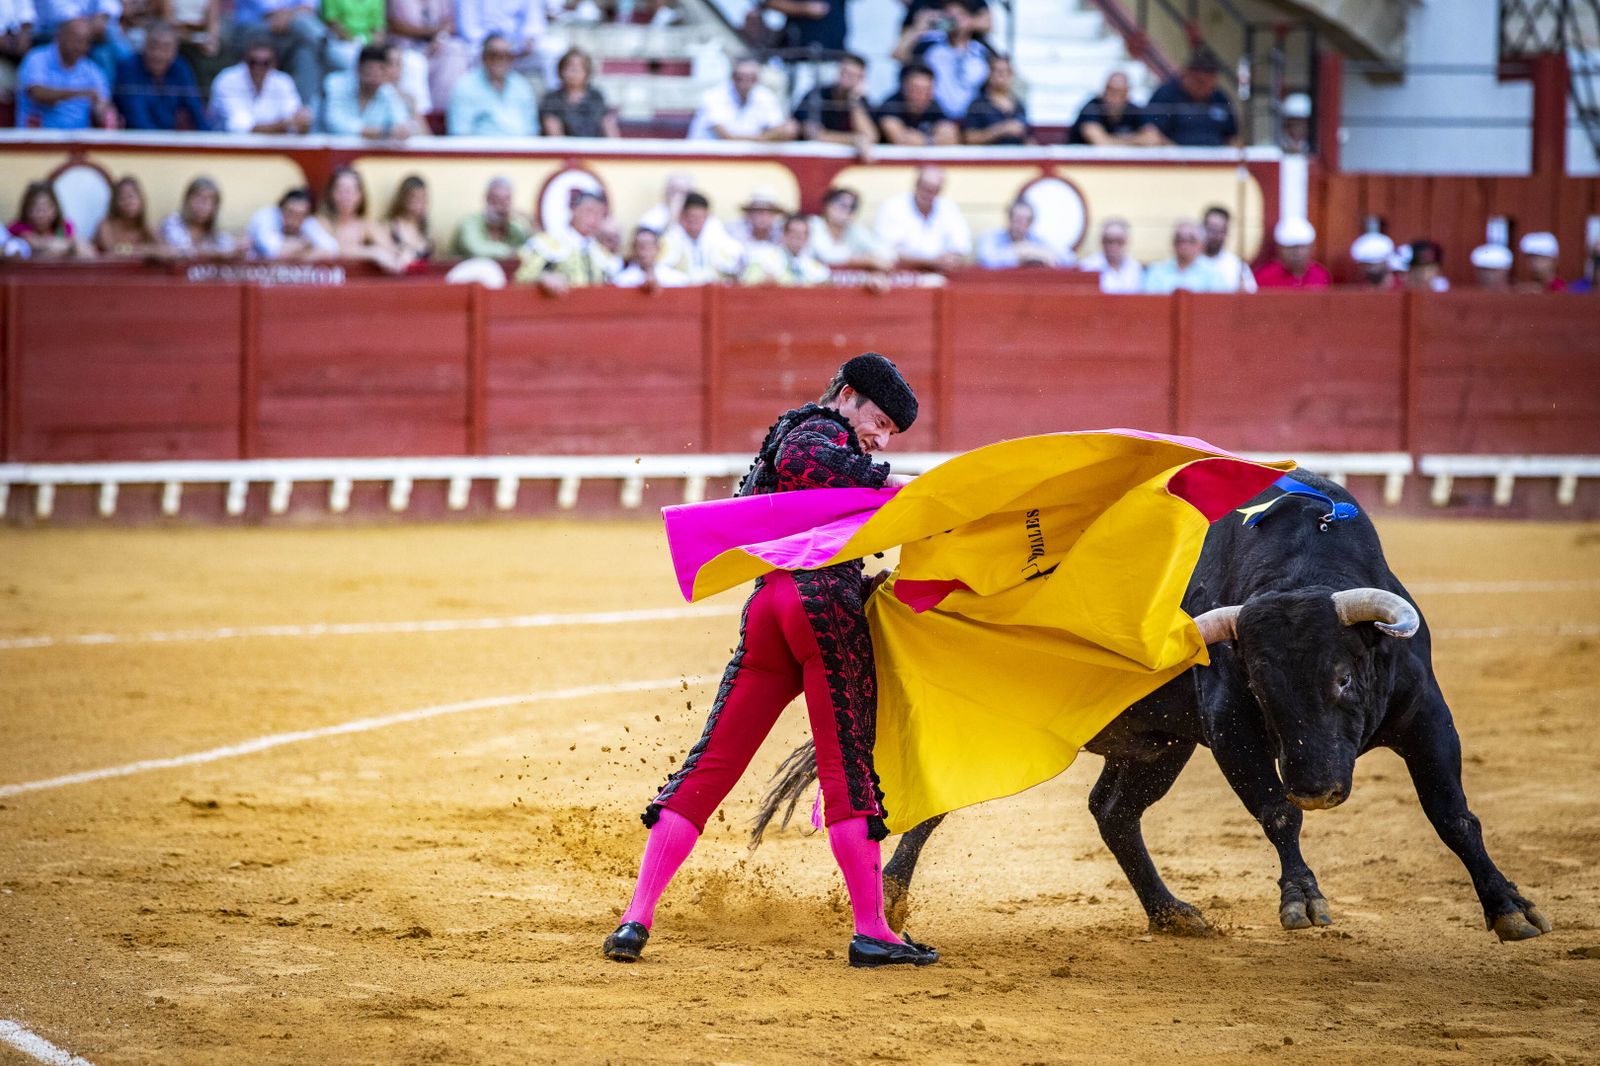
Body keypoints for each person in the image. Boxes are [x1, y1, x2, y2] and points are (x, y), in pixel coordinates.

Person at [603, 353, 938, 971]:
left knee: (711, 762)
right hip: (822, 607)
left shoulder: (786, 431)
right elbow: (806, 463)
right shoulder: (820, 431)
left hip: (770, 608)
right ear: (846, 394)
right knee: (847, 769)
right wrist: (894, 485)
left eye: (892, 432)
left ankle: (636, 918)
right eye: (879, 420)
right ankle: (871, 931)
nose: (880, 437)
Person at [226, 0, 330, 112]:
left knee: (305, 53)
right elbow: (269, 12)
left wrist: (290, 15)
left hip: (291, 32)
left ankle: (305, 113)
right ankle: (331, 48)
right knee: (302, 24)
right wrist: (293, 14)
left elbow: (310, 8)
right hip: (254, 29)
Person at [891, 0, 987, 120]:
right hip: (936, 119)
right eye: (950, 15)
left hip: (971, 121)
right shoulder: (929, 45)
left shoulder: (981, 51)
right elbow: (897, 55)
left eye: (960, 14)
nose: (955, 20)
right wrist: (918, 28)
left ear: (970, 19)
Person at [513, 188, 619, 293]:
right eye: (589, 211)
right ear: (573, 210)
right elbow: (522, 278)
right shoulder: (547, 243)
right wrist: (543, 278)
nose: (593, 219)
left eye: (599, 214)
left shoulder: (603, 253)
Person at [16, 17, 112, 127]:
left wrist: (101, 109)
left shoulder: (92, 69)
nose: (81, 46)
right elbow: (37, 92)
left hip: (79, 139)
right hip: (37, 139)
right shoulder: (36, 58)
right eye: (76, 40)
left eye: (86, 41)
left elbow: (103, 103)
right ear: (59, 37)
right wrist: (78, 93)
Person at [112, 20, 208, 129]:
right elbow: (136, 118)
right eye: (154, 46)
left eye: (166, 48)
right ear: (144, 46)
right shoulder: (128, 68)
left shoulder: (180, 68)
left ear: (175, 51)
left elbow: (196, 110)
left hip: (168, 138)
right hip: (135, 139)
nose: (158, 54)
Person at [873, 164, 970, 272]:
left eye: (934, 190)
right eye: (925, 188)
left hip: (943, 274)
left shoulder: (949, 208)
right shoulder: (893, 207)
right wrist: (931, 262)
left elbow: (961, 247)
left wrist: (951, 258)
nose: (928, 194)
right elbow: (887, 252)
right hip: (902, 276)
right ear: (916, 185)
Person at [209, 36, 310, 132]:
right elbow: (240, 128)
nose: (258, 68)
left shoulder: (283, 81)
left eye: (265, 63)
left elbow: (295, 122)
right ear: (245, 60)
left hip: (270, 147)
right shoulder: (227, 80)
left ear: (274, 64)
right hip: (225, 146)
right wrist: (285, 124)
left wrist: (301, 123)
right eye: (253, 62)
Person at [386, 0, 470, 115]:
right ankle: (422, 115)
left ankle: (444, 112)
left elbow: (450, 21)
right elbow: (392, 24)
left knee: (456, 49)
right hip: (405, 46)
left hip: (437, 43)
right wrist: (430, 33)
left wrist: (440, 38)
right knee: (414, 62)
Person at [1145, 49, 1239, 148]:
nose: (1205, 87)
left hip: (1216, 160)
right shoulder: (1165, 96)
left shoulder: (1220, 98)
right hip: (1176, 159)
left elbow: (1233, 137)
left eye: (1211, 82)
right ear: (1187, 74)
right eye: (1200, 82)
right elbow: (1151, 133)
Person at [687, 56, 795, 141]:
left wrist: (771, 135)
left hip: (745, 164)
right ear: (732, 77)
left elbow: (784, 130)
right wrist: (764, 138)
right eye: (740, 78)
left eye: (751, 78)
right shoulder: (713, 97)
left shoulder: (765, 95)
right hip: (706, 162)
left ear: (757, 79)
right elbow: (726, 137)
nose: (745, 83)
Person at [446, 33, 534, 135]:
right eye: (494, 55)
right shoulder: (465, 86)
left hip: (519, 148)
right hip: (480, 149)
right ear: (483, 57)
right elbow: (460, 133)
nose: (500, 60)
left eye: (506, 56)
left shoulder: (522, 85)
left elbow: (531, 130)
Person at [319, 165, 404, 269]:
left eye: (351, 191)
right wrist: (371, 252)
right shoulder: (320, 222)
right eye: (340, 190)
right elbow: (330, 249)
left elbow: (391, 251)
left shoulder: (366, 225)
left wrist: (402, 255)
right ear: (331, 193)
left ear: (360, 195)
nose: (345, 196)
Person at [320, 42, 413, 136]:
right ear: (358, 69)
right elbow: (335, 123)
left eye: (381, 70)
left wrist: (401, 129)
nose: (375, 76)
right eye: (370, 70)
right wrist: (382, 132)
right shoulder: (335, 83)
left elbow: (401, 122)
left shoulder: (387, 91)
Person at [455, 0, 547, 85]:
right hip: (482, 43)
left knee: (550, 51)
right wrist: (495, 44)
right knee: (463, 51)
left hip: (517, 43)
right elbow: (469, 28)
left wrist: (529, 37)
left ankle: (555, 99)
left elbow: (534, 20)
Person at [795, 50, 873, 151]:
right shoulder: (817, 94)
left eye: (852, 75)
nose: (845, 79)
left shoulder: (861, 101)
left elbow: (870, 137)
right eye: (843, 73)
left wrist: (854, 101)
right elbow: (813, 133)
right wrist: (854, 140)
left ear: (862, 79)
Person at [659, 191, 742, 283]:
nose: (694, 222)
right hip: (682, 290)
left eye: (699, 218)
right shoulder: (671, 238)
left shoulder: (718, 236)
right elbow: (661, 269)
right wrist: (685, 280)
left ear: (707, 217)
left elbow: (733, 264)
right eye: (691, 217)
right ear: (682, 217)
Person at [807, 186, 892, 271]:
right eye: (842, 205)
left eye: (852, 207)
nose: (847, 210)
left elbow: (888, 252)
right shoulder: (813, 225)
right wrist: (868, 260)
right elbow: (828, 255)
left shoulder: (853, 230)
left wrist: (875, 269)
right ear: (827, 205)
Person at [538, 46, 615, 136]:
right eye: (570, 66)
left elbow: (608, 126)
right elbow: (555, 135)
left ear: (587, 71)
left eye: (579, 67)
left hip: (593, 148)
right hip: (564, 148)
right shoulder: (552, 99)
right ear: (561, 70)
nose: (574, 71)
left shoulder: (596, 96)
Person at [874, 61, 955, 145]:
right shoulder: (891, 105)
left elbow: (951, 136)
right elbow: (899, 139)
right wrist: (934, 140)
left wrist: (926, 141)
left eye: (927, 90)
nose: (923, 95)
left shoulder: (934, 104)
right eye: (917, 89)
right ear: (903, 86)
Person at [450, 175, 532, 257]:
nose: (501, 206)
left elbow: (534, 248)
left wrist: (530, 221)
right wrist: (512, 252)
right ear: (486, 198)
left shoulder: (515, 228)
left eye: (506, 200)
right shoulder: (469, 223)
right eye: (496, 199)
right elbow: (476, 249)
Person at [159, 174, 238, 257]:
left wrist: (236, 247)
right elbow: (181, 250)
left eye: (210, 199)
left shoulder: (215, 235)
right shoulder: (172, 222)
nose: (203, 204)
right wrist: (216, 253)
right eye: (199, 197)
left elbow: (228, 246)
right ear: (187, 200)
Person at [248, 186, 338, 260]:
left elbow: (332, 249)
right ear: (280, 208)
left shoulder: (307, 222)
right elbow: (274, 252)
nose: (293, 220)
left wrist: (301, 254)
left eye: (299, 215)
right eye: (290, 212)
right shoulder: (265, 217)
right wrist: (304, 245)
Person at [1071, 70, 1158, 146]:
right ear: (1104, 92)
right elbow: (1100, 142)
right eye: (1111, 92)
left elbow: (1152, 139)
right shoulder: (1091, 108)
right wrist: (1134, 140)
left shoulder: (1133, 110)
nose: (1114, 99)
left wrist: (1115, 140)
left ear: (1127, 95)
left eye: (1120, 94)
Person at [743, 212, 830, 286]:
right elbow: (748, 280)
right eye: (794, 232)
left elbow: (825, 282)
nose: (798, 237)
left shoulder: (814, 266)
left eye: (802, 233)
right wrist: (763, 281)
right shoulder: (764, 256)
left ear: (807, 237)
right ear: (784, 235)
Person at [8, 180, 90, 258]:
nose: (41, 214)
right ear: (26, 210)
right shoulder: (18, 227)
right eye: (36, 209)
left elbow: (83, 250)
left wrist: (71, 244)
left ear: (55, 208)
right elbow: (34, 243)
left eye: (46, 208)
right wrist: (64, 245)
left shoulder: (63, 227)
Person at [961, 53, 1029, 146]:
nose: (1002, 75)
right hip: (988, 158)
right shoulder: (978, 105)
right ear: (989, 74)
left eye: (1006, 71)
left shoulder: (1019, 105)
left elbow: (1028, 138)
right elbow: (970, 138)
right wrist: (1002, 129)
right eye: (998, 71)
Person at [1142, 219, 1226, 293]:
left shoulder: (1213, 273)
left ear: (1202, 244)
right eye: (1180, 240)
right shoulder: (1157, 272)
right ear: (1172, 243)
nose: (1184, 245)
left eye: (1191, 240)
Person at [975, 199, 1054, 269]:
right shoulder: (991, 237)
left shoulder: (1038, 240)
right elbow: (987, 261)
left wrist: (1031, 252)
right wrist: (1018, 252)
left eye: (1028, 220)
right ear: (1009, 219)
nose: (1023, 224)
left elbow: (1057, 260)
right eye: (1018, 220)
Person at [1253, 217, 1329, 289]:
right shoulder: (1263, 276)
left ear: (1312, 248)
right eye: (1291, 248)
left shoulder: (1321, 275)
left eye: (1302, 247)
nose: (1297, 253)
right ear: (1279, 249)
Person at [92, 174, 157, 256]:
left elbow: (166, 250)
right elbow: (113, 250)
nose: (128, 202)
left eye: (132, 196)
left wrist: (150, 248)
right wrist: (146, 249)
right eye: (123, 198)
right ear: (115, 203)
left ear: (141, 200)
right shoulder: (106, 225)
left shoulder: (145, 227)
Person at [1076, 216, 1142, 293]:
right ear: (1101, 241)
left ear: (1127, 242)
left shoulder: (1134, 267)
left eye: (1119, 241)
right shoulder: (1088, 267)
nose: (1114, 246)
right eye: (1109, 241)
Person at [1199, 205, 1256, 293]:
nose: (1214, 236)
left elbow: (1251, 296)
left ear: (1227, 232)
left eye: (1219, 230)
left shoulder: (1236, 266)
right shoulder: (1189, 262)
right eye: (1211, 229)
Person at [614, 226, 688, 289]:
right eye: (640, 246)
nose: (644, 252)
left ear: (658, 248)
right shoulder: (622, 280)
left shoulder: (674, 278)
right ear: (634, 249)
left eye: (649, 246)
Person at [382, 173, 432, 264]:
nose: (420, 204)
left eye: (423, 198)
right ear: (404, 199)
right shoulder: (390, 227)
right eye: (415, 198)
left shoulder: (428, 230)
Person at [728, 187, 784, 257]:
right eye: (758, 212)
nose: (763, 217)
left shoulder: (782, 234)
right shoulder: (733, 232)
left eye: (768, 212)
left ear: (774, 215)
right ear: (749, 214)